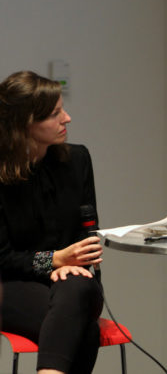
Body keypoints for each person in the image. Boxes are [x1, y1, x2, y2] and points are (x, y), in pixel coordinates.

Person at [0, 71, 104, 374]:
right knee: (84, 330)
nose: (67, 118)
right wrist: (54, 260)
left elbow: (88, 237)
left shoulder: (78, 160)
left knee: (77, 289)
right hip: (13, 285)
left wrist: (72, 262)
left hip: (76, 282)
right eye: (56, 113)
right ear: (24, 124)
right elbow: (3, 258)